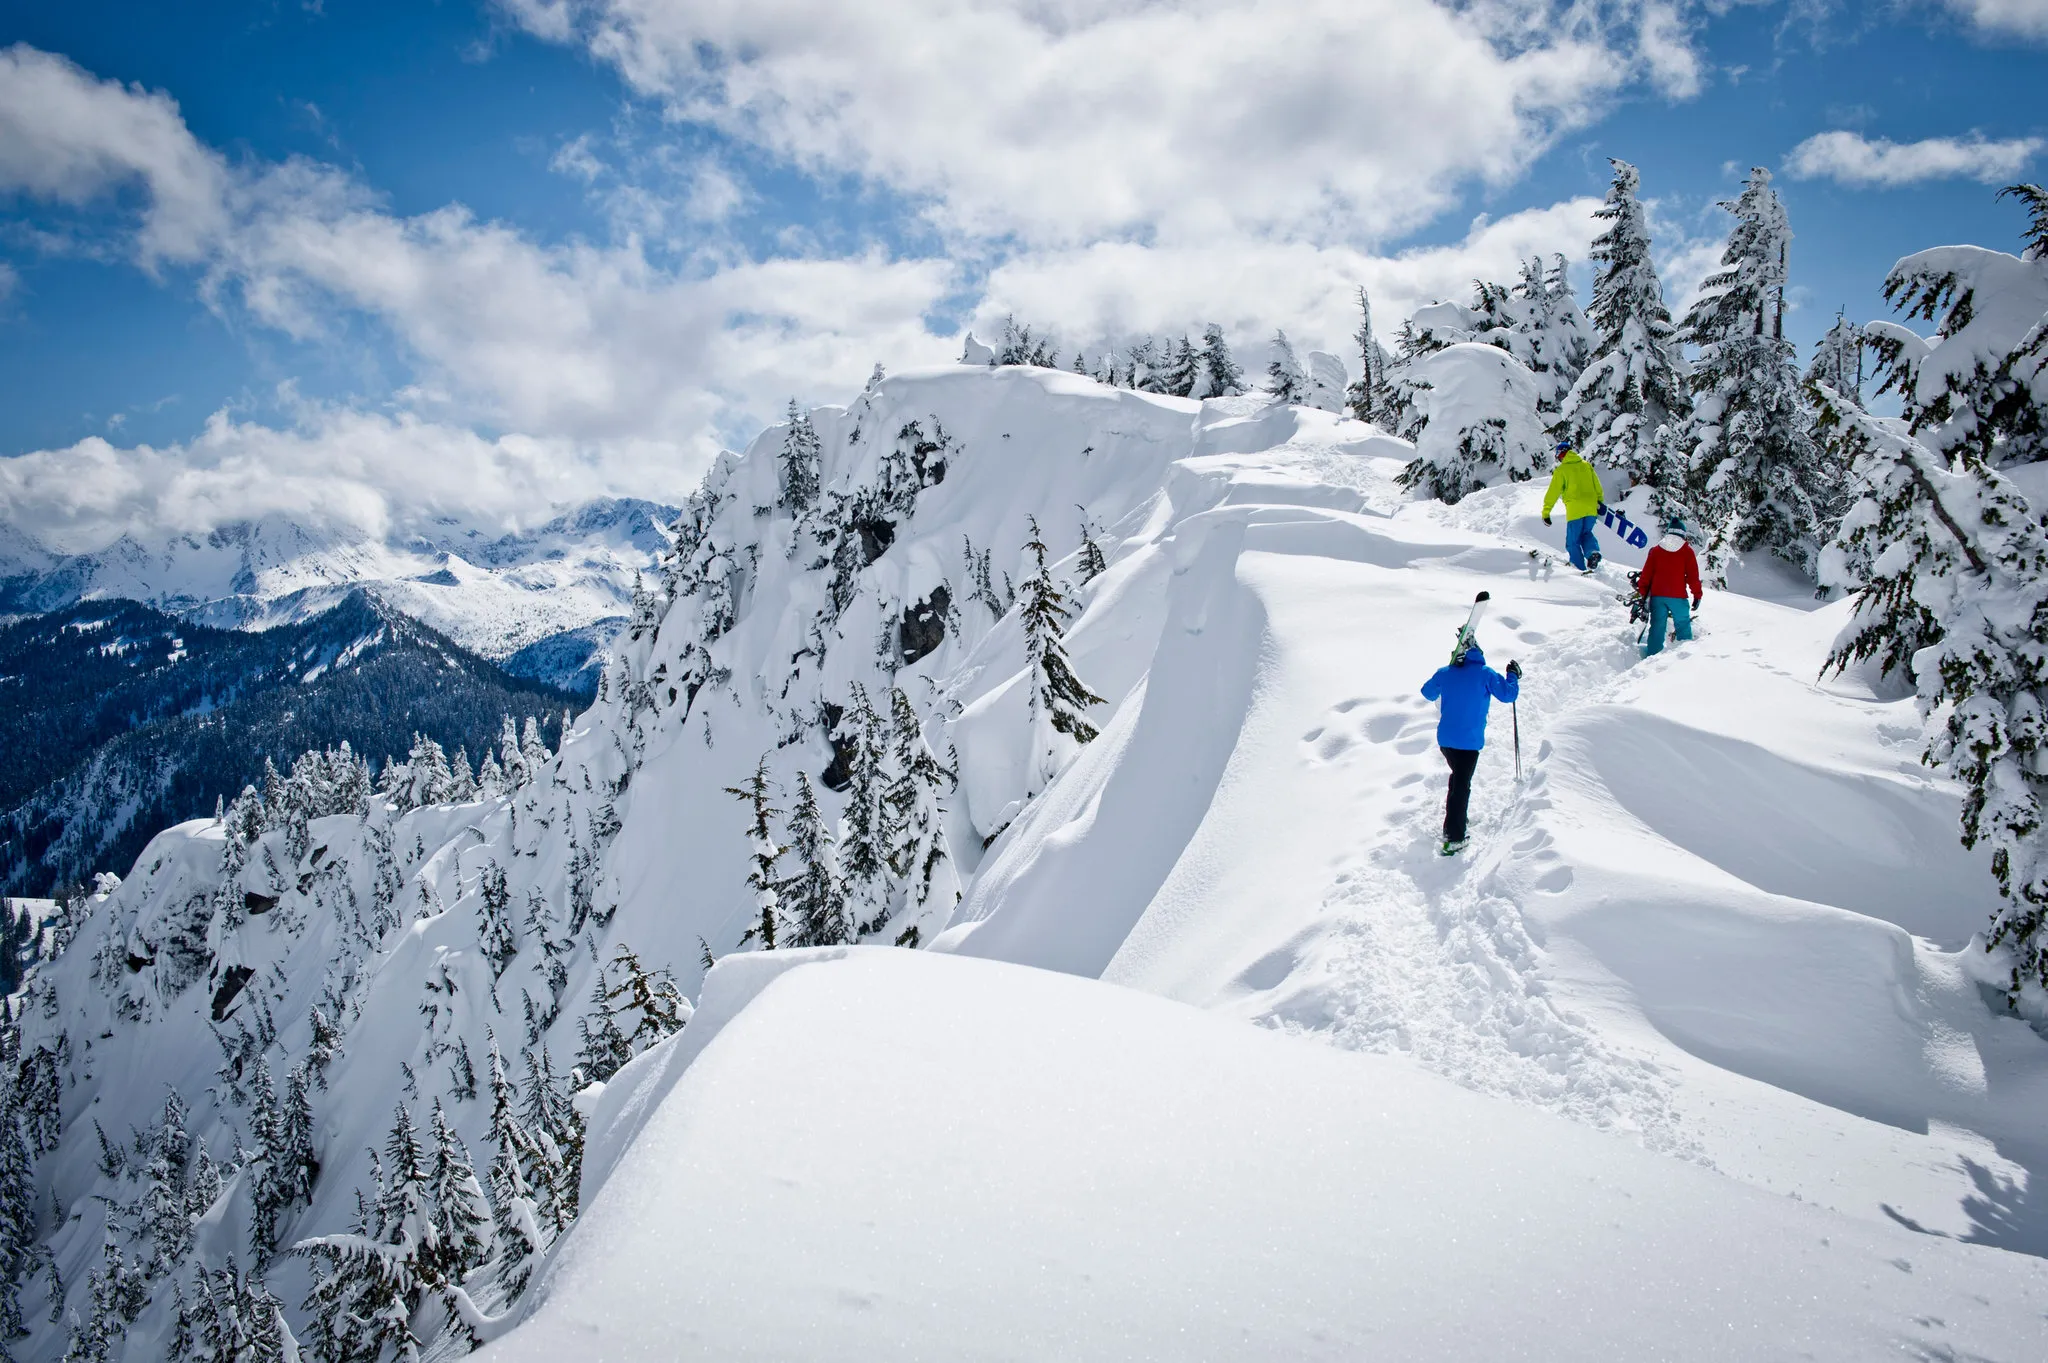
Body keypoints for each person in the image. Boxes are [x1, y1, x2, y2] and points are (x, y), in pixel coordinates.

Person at [1419, 645, 1521, 855]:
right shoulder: (1485, 674)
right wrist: (1512, 675)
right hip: (1468, 742)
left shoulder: (1446, 673)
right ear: (1479, 655)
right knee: (1461, 785)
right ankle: (1454, 837)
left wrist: (1448, 672)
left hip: (1446, 740)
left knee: (1458, 779)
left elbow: (1427, 692)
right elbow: (1508, 695)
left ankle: (1458, 818)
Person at [1632, 517, 1703, 656]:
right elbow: (1693, 577)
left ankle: (1652, 657)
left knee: (1657, 628)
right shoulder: (1687, 552)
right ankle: (1686, 657)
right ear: (1682, 533)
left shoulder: (1656, 550)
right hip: (1678, 597)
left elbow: (1646, 575)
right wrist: (1697, 595)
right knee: (1683, 626)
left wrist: (1644, 593)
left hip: (1658, 597)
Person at [1541, 440, 1606, 573]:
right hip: (1591, 508)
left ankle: (1578, 570)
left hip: (1575, 510)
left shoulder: (1562, 470)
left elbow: (1553, 492)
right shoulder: (1586, 465)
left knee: (1572, 541)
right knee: (1586, 533)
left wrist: (1546, 512)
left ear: (1560, 454)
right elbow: (1597, 486)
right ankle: (1592, 552)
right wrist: (1600, 502)